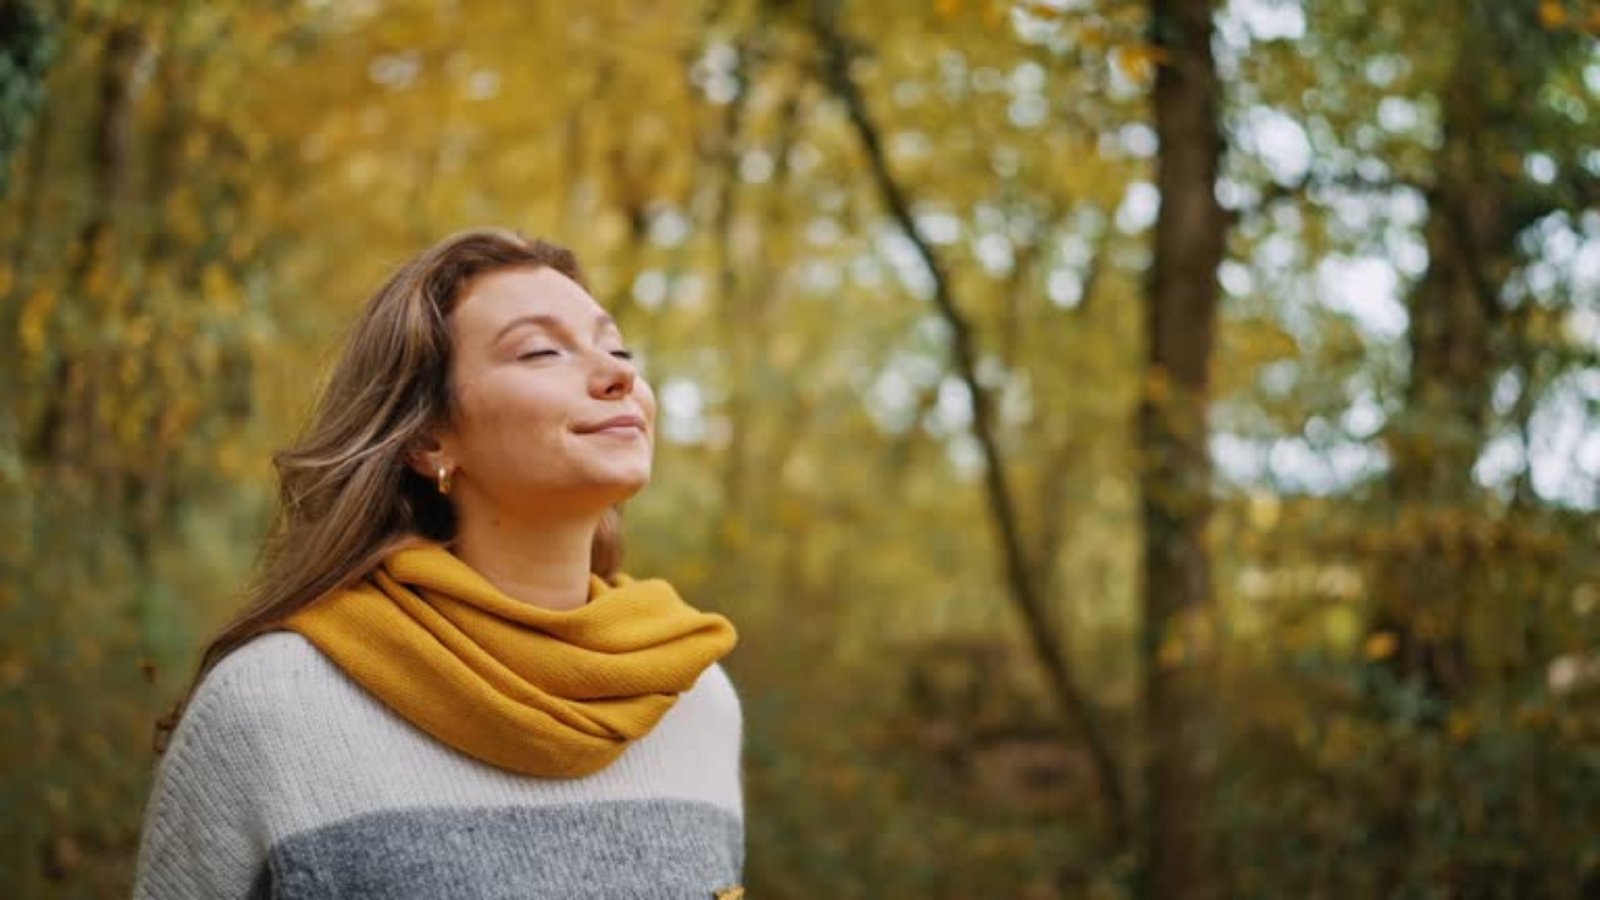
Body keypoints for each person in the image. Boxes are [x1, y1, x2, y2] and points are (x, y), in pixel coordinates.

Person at [132, 228, 745, 899]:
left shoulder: (693, 697)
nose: (621, 374)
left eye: (617, 347)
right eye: (541, 351)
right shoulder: (272, 705)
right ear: (428, 439)